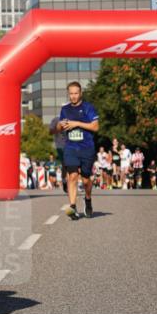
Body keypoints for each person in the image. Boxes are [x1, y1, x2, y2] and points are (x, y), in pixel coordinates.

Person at [53, 81, 100, 219]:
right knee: (72, 176)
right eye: (71, 94)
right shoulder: (65, 109)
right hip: (71, 147)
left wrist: (77, 123)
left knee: (85, 180)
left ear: (81, 93)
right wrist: (60, 125)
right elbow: (58, 129)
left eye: (76, 93)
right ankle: (73, 207)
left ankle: (88, 199)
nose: (73, 96)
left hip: (86, 148)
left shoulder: (88, 107)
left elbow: (95, 127)